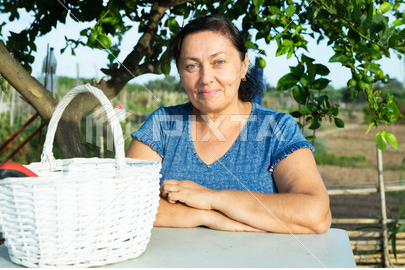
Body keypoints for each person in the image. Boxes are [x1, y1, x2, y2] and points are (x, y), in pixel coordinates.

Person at [126, 15, 331, 234]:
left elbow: (315, 215)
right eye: (192, 66)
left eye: (219, 62)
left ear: (243, 66)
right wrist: (206, 216)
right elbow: (122, 204)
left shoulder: (277, 128)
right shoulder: (163, 125)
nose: (206, 78)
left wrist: (212, 198)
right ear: (180, 73)